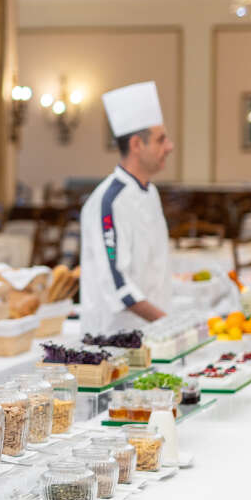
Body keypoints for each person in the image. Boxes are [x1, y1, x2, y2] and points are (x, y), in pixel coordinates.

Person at [79, 81, 176, 336]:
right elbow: (117, 284)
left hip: (152, 337)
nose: (170, 147)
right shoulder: (109, 201)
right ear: (136, 145)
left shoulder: (150, 191)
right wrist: (169, 325)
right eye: (161, 139)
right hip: (114, 343)